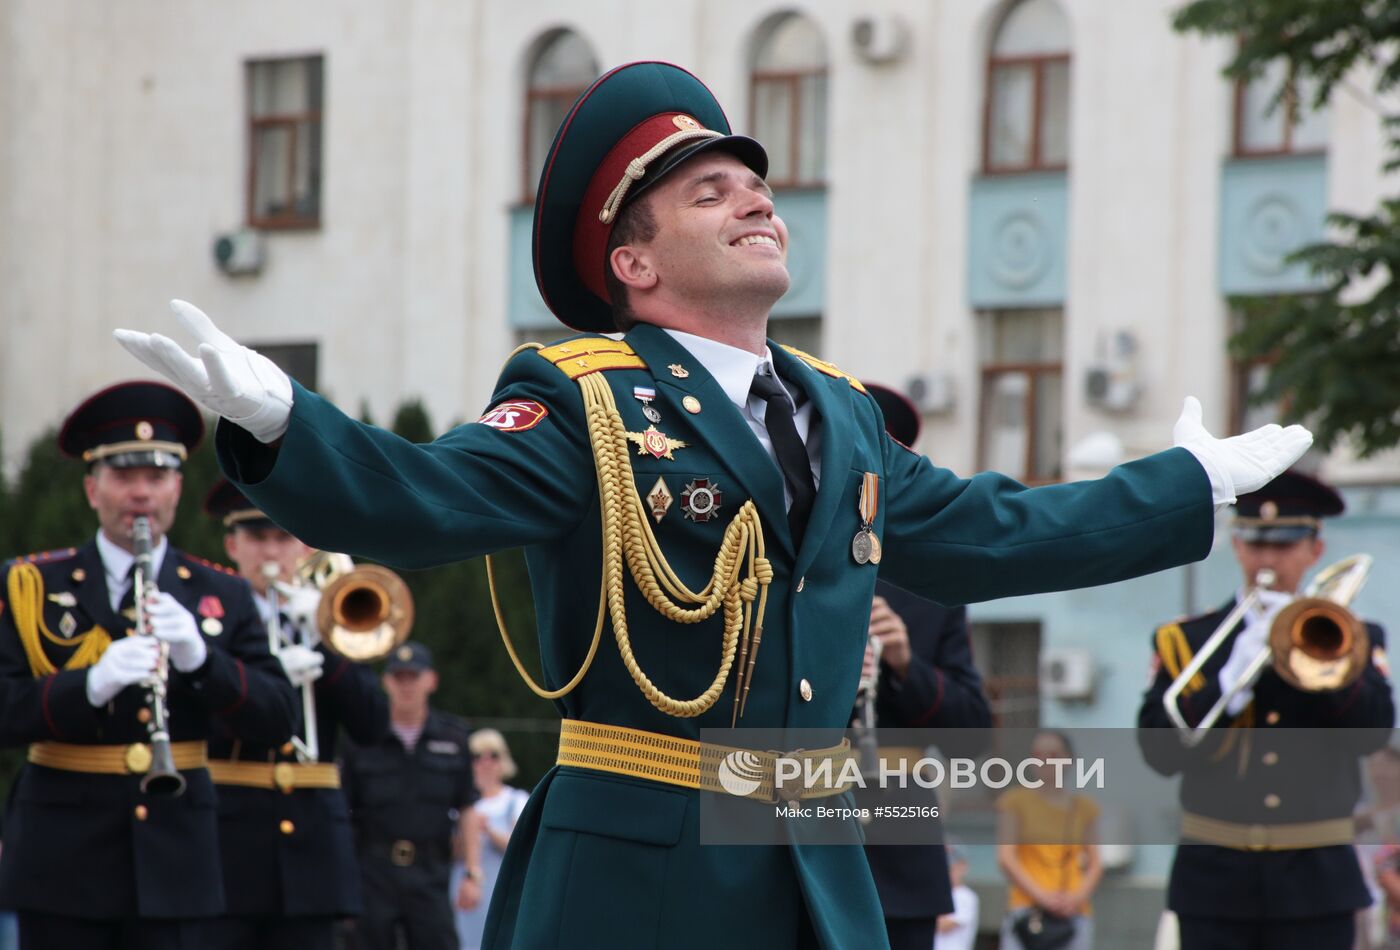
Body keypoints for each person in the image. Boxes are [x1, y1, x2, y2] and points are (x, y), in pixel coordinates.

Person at [115, 61, 1312, 949]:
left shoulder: (841, 413)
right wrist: (281, 420)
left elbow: (995, 533)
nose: (755, 201)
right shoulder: (580, 396)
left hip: (814, 868)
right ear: (631, 265)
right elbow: (427, 499)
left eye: (755, 183)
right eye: (709, 193)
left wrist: (1185, 485)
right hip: (641, 869)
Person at [0, 381, 297, 950]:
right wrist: (89, 686)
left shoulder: (222, 594)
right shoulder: (29, 585)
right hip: (61, 860)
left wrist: (200, 659)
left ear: (178, 488)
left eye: (156, 477)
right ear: (92, 488)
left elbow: (276, 717)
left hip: (176, 856)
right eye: (123, 477)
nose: (140, 494)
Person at [1138, 470, 1394, 950]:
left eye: (1284, 545)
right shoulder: (1187, 641)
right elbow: (1159, 752)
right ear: (1236, 545)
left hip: (1316, 883)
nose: (1268, 560)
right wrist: (1229, 676)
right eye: (1256, 545)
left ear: (1315, 550)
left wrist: (1317, 657)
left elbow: (1372, 733)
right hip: (1214, 881)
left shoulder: (1352, 635)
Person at [199, 479, 389, 950]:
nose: (271, 552)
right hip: (227, 840)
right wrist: (264, 680)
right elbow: (198, 722)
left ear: (303, 548)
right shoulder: (206, 621)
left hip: (312, 848)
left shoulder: (325, 620)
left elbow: (373, 724)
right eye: (257, 538)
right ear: (232, 545)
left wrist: (327, 644)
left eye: (282, 538)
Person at [857, 383, 993, 950]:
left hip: (896, 831)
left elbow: (972, 735)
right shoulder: (764, 562)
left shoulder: (929, 587)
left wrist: (904, 664)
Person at [340, 642, 476, 950]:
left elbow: (467, 807)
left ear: (431, 680)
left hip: (430, 872)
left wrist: (472, 872)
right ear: (385, 682)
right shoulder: (361, 738)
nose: (406, 685)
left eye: (413, 676)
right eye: (398, 677)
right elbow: (343, 811)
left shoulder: (453, 737)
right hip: (372, 872)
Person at [996, 729, 1102, 950]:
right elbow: (1006, 858)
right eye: (1038, 755)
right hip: (1027, 910)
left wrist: (1075, 898)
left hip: (1074, 913)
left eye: (1053, 755)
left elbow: (1095, 863)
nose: (1045, 761)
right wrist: (1042, 897)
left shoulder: (1084, 808)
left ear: (1069, 760)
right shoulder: (1015, 801)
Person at [454, 729, 530, 950]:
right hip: (461, 894)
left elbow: (522, 847)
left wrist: (488, 830)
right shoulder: (458, 803)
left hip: (500, 893)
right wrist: (467, 832)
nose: (485, 763)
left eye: (493, 756)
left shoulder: (515, 800)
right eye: (477, 757)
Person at [934, 843, 979, 950]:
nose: (945, 871)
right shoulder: (933, 893)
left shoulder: (966, 896)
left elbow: (942, 925)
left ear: (963, 866)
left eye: (951, 868)